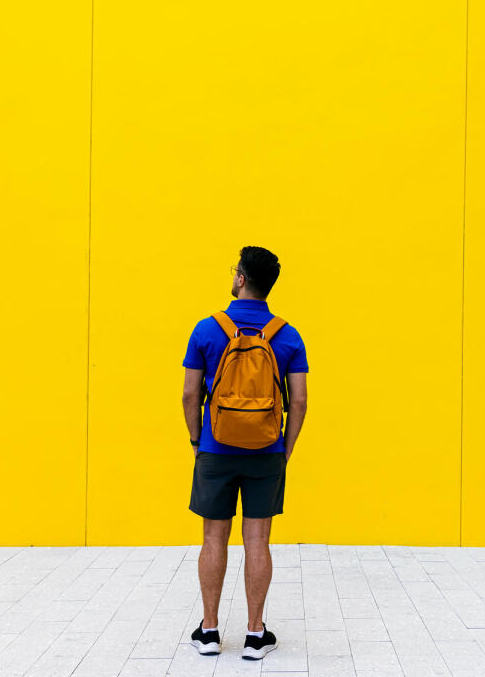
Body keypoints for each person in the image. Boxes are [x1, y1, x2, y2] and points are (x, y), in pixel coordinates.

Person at [181, 246, 309, 660]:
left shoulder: (206, 329)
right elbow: (301, 401)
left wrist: (197, 440)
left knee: (213, 536)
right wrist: (284, 450)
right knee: (258, 539)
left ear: (240, 279)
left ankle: (210, 631)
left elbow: (188, 392)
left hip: (215, 449)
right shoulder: (288, 335)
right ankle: (255, 635)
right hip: (267, 450)